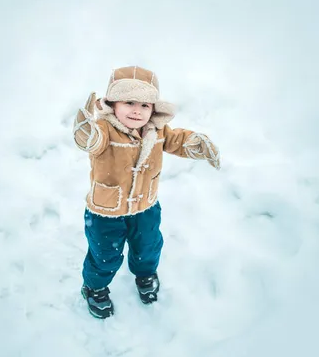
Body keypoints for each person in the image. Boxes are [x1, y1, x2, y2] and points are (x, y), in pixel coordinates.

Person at [73, 65, 220, 319]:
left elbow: (177, 140)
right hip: (106, 210)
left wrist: (195, 143)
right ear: (112, 103)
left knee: (149, 245)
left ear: (153, 109)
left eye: (144, 105)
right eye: (129, 102)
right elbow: (92, 141)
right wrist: (85, 131)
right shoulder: (105, 129)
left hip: (145, 206)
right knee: (105, 253)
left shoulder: (156, 130)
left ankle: (145, 273)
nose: (136, 110)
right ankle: (95, 287)